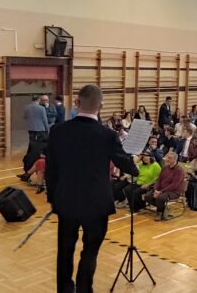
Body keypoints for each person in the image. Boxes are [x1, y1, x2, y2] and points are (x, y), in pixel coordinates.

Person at [45, 85, 139, 292]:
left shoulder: (58, 131)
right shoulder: (107, 135)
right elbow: (128, 167)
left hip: (66, 202)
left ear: (77, 103)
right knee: (90, 251)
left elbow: (50, 170)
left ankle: (65, 289)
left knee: (65, 251)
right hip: (96, 204)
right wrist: (134, 162)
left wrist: (54, 200)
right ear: (101, 106)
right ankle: (85, 289)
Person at [144, 152, 184, 221]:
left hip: (174, 191)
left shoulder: (179, 170)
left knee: (160, 197)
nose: (167, 159)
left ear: (175, 159)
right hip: (161, 190)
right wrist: (156, 189)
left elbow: (174, 185)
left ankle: (159, 213)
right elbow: (159, 180)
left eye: (170, 158)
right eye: (167, 157)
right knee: (147, 196)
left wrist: (160, 192)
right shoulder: (165, 168)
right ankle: (163, 208)